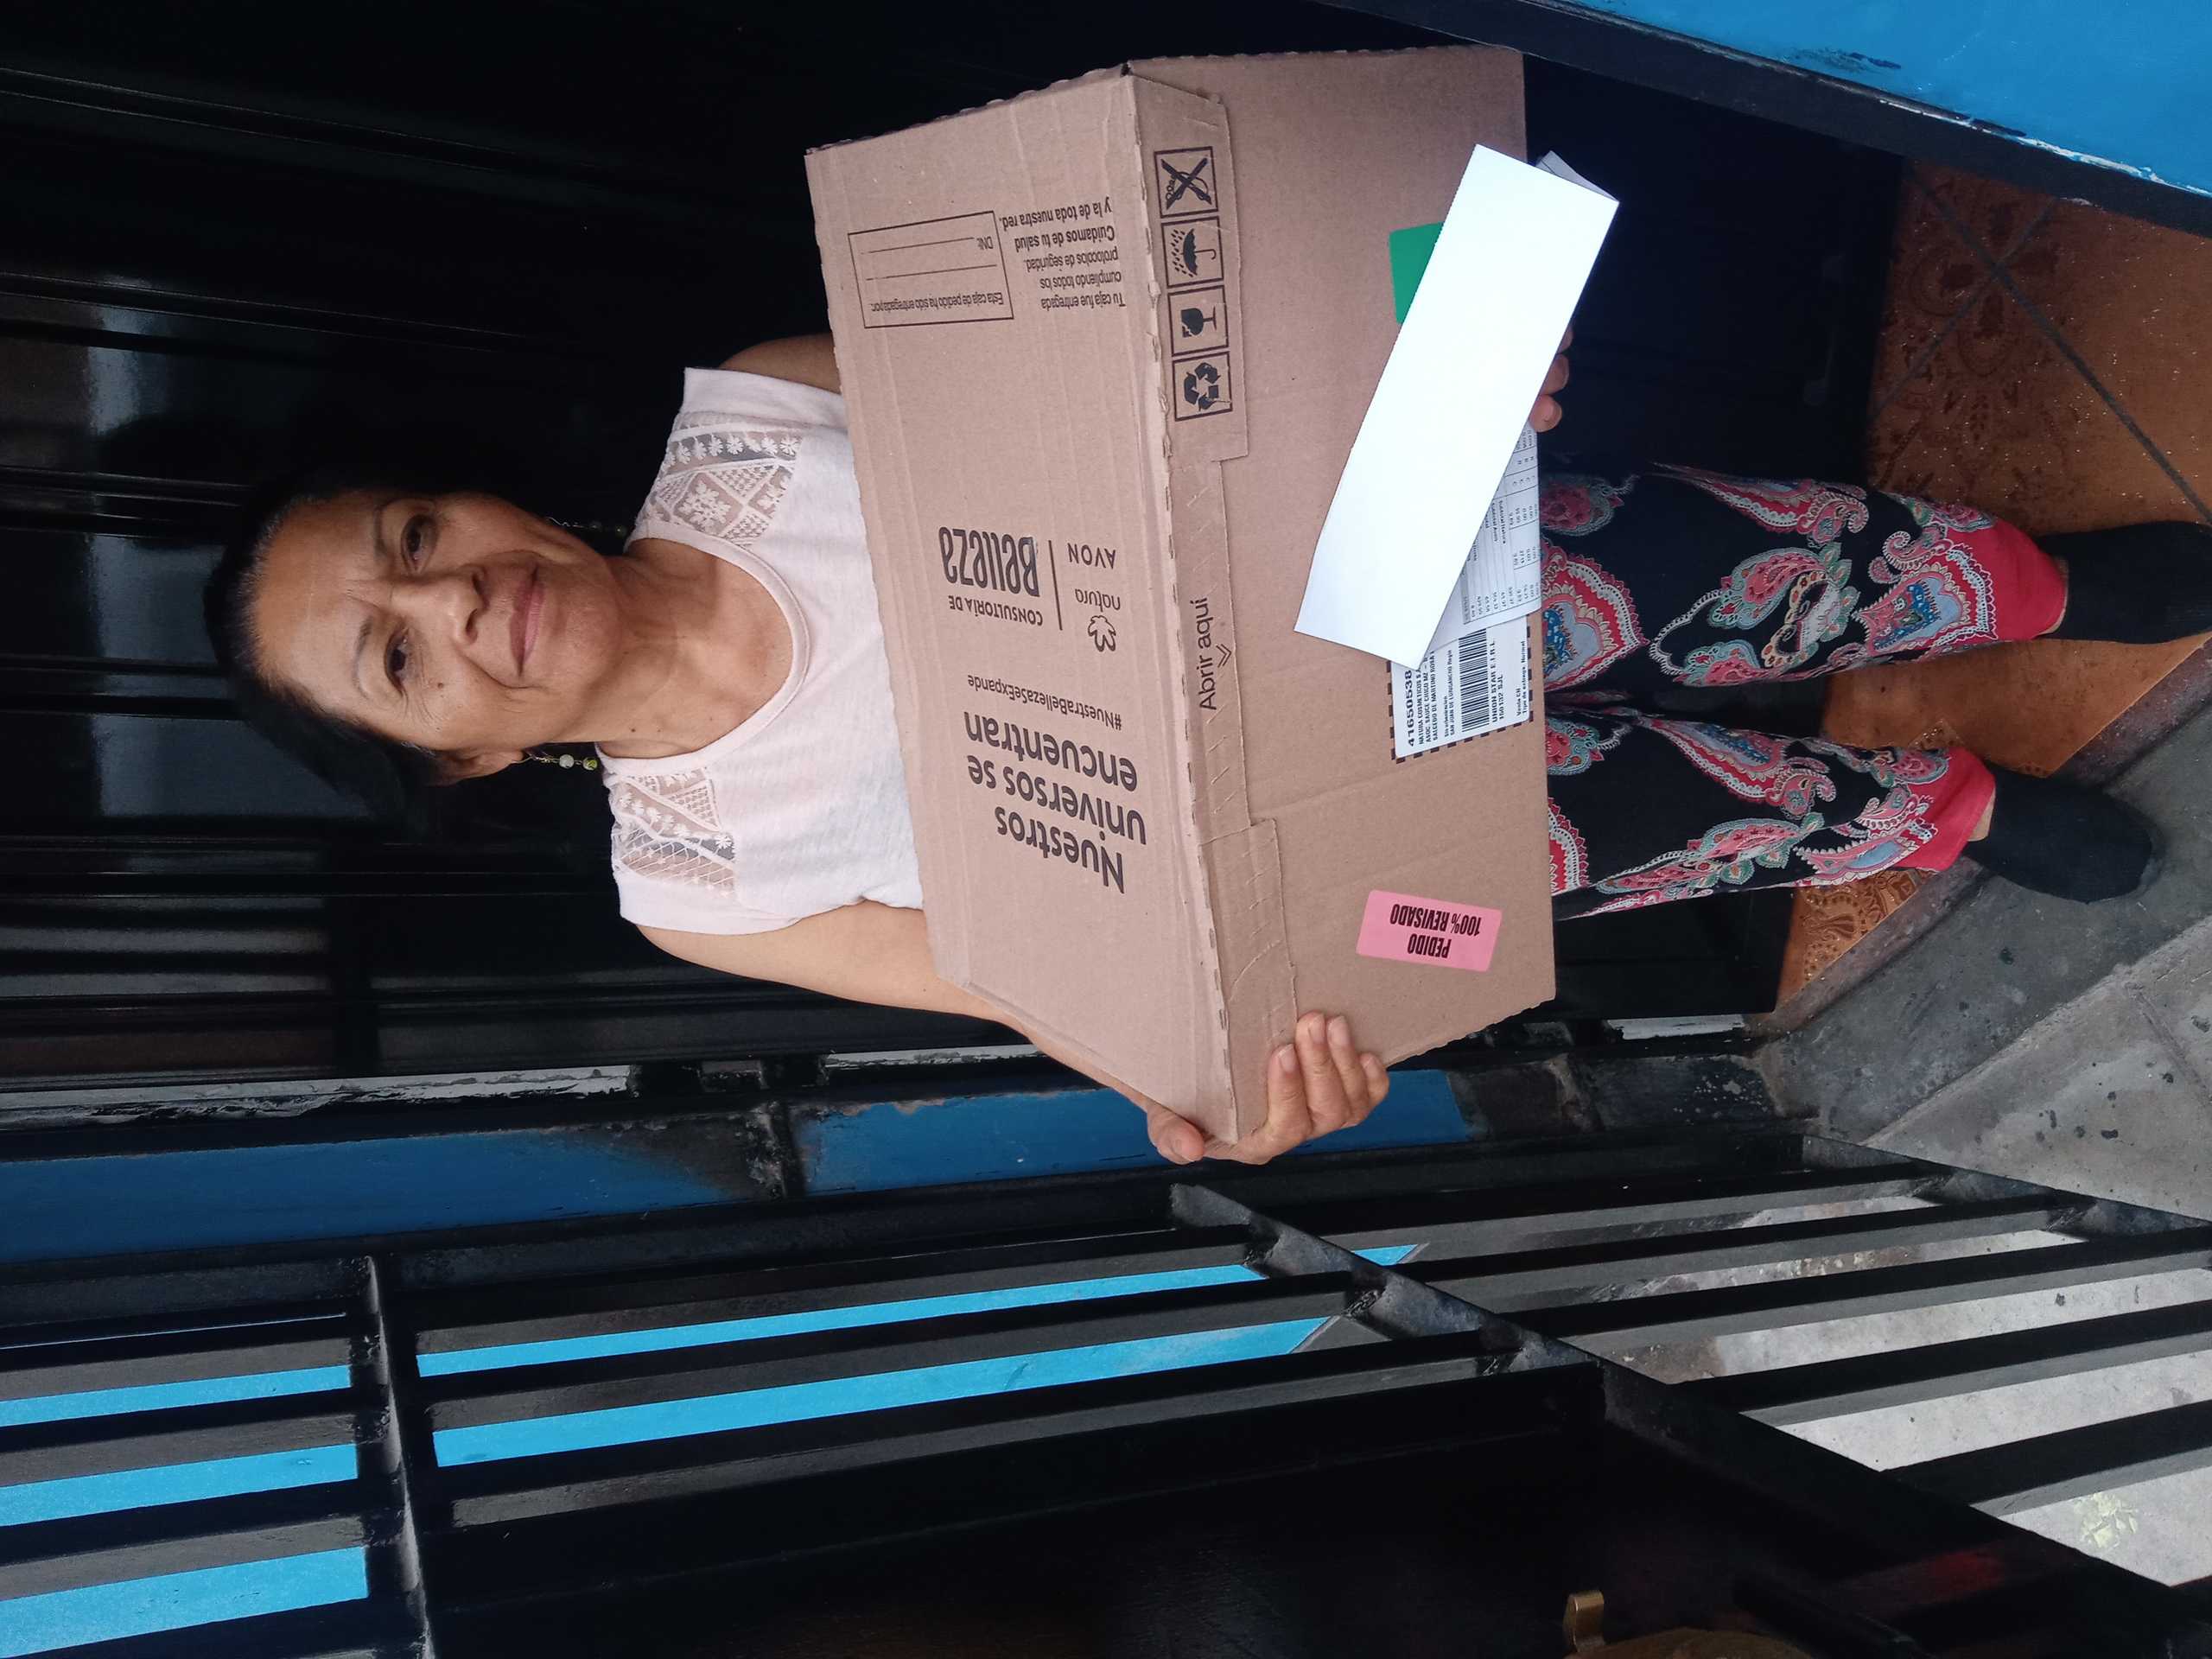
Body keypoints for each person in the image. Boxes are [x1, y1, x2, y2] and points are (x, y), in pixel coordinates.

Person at [207, 334, 2201, 1163]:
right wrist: (1198, 1081)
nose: (456, 602)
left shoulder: (758, 412)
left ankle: (2042, 588)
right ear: (449, 762)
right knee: (1692, 822)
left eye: (412, 539)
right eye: (395, 658)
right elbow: (1017, 969)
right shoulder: (699, 885)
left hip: (1406, 577)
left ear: (463, 493)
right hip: (1342, 834)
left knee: (1770, 570)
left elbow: (1139, 372)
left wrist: (1397, 370)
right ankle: (1941, 809)